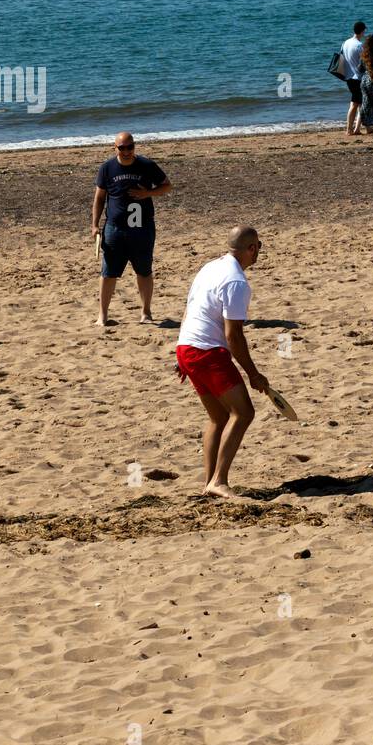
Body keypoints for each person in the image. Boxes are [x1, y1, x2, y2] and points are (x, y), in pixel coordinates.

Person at [175, 225, 269, 499]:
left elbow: (190, 308)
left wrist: (182, 351)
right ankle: (219, 480)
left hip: (187, 347)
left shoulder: (210, 267)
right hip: (206, 352)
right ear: (251, 248)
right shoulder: (236, 282)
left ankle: (208, 484)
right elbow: (234, 336)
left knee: (218, 417)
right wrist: (253, 374)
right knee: (243, 413)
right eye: (259, 247)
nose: (259, 252)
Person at [92, 132, 172, 325]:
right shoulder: (107, 168)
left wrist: (148, 193)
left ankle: (146, 312)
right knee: (109, 272)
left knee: (144, 271)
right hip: (115, 229)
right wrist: (94, 225)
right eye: (122, 148)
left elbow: (167, 186)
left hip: (142, 228)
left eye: (130, 147)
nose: (127, 151)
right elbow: (100, 198)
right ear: (115, 148)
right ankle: (102, 315)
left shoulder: (147, 165)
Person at [340, 20, 367, 136]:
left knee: (359, 103)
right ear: (362, 31)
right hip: (358, 78)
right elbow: (365, 62)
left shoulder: (345, 43)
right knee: (356, 104)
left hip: (348, 77)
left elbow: (342, 58)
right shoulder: (359, 46)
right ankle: (351, 130)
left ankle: (365, 128)